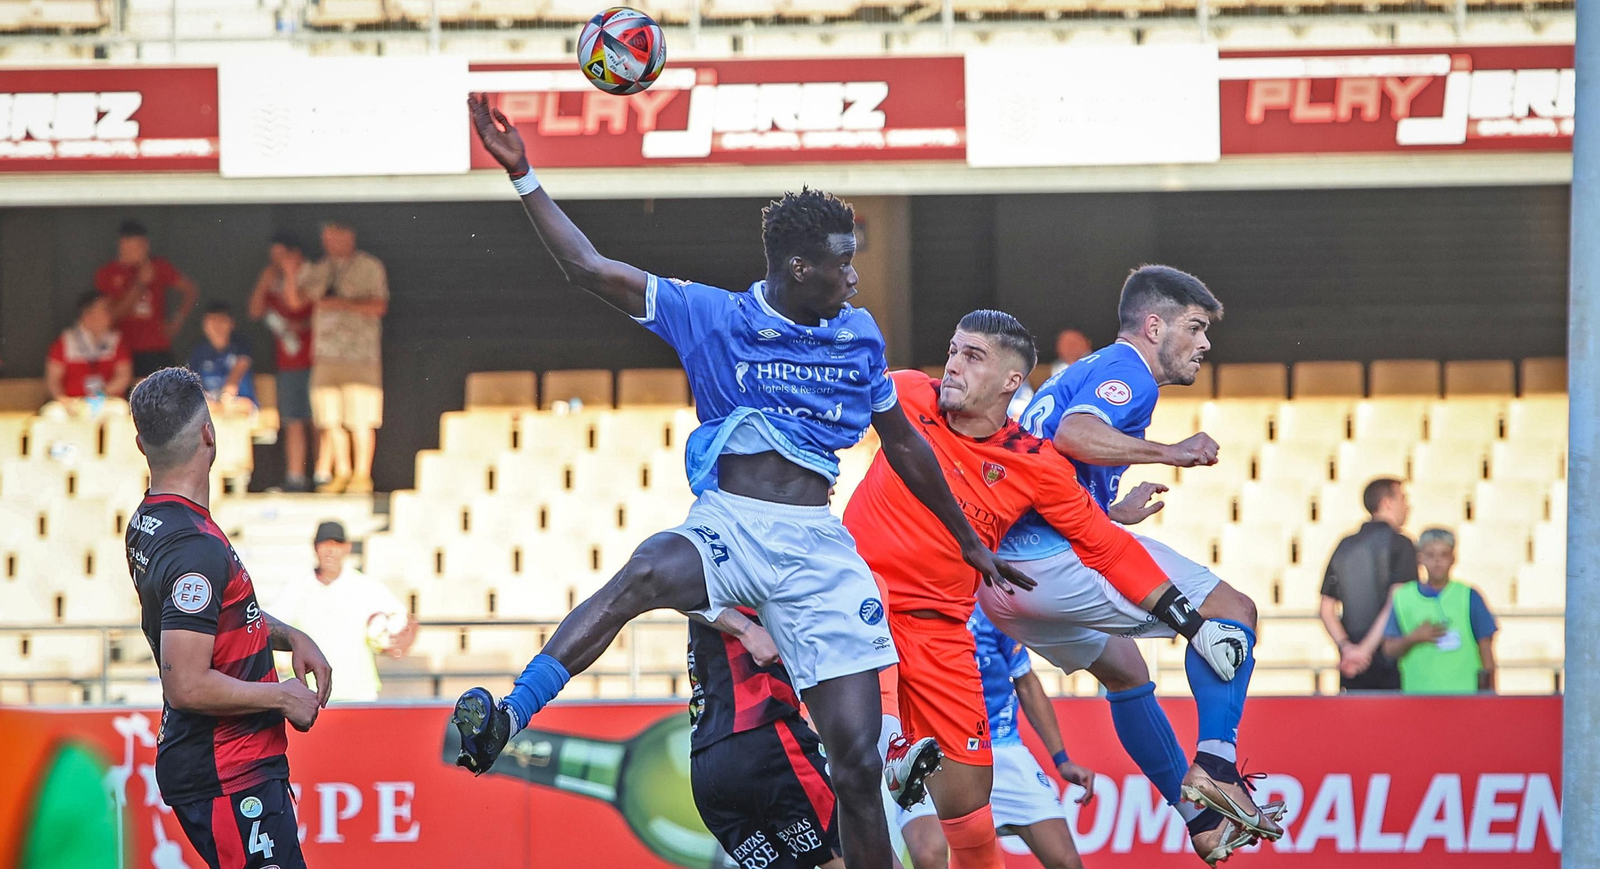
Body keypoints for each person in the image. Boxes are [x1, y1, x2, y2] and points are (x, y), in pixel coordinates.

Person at [449, 94, 1020, 869]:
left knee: (855, 773)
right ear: (797, 266)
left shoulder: (858, 336)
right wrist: (523, 175)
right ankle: (510, 713)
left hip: (819, 547)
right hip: (733, 524)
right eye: (842, 261)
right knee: (646, 569)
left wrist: (969, 544)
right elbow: (587, 268)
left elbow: (906, 446)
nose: (855, 276)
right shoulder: (710, 315)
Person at [844, 309, 1254, 869]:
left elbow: (1104, 548)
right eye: (954, 349)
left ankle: (1198, 814)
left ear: (1011, 382)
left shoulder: (1034, 466)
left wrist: (1191, 624)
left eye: (973, 356)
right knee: (862, 769)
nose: (954, 366)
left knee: (970, 811)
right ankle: (887, 740)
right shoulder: (910, 394)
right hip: (862, 608)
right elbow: (830, 397)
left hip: (945, 632)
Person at [990, 266, 1283, 864]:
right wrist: (1172, 452)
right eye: (1195, 328)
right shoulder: (1129, 371)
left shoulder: (1084, 371)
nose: (1204, 343)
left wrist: (1108, 508)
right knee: (1233, 609)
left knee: (1125, 670)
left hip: (1001, 584)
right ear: (1154, 326)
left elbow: (1048, 462)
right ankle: (1216, 764)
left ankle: (1199, 818)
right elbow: (1075, 434)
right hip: (1053, 562)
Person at [123, 367, 331, 869]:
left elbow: (219, 615)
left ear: (140, 444)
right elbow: (187, 685)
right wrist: (283, 695)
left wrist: (289, 635)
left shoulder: (149, 519)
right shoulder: (194, 547)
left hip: (223, 767)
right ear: (208, 435)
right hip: (228, 772)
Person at [897, 605, 1095, 869]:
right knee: (929, 855)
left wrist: (1062, 760)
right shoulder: (901, 606)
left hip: (1001, 749)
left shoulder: (989, 609)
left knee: (1067, 862)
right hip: (931, 751)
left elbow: (1026, 681)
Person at [689, 608, 846, 869]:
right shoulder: (749, 571)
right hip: (765, 739)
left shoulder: (696, 583)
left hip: (707, 763)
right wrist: (747, 629)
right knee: (857, 852)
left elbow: (670, 586)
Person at [267, 521, 417, 703]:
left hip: (359, 694)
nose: (330, 551)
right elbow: (270, 626)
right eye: (325, 544)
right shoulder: (296, 588)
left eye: (336, 544)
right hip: (311, 697)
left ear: (347, 548)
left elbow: (405, 620)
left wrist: (398, 643)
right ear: (315, 547)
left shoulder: (366, 586)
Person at [301, 221, 388, 495]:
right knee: (330, 419)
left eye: (334, 237)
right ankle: (341, 472)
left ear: (349, 236)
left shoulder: (369, 267)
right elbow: (297, 300)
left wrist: (342, 304)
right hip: (326, 356)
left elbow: (379, 305)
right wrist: (292, 271)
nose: (328, 243)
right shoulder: (319, 269)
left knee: (361, 419)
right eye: (325, 238)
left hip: (360, 357)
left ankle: (362, 476)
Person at [1319, 478, 1417, 691]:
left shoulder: (1345, 544)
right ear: (1387, 503)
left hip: (1352, 666)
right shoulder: (1401, 544)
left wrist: (1347, 648)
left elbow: (1326, 607)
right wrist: (1365, 650)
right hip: (1391, 662)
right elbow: (1396, 601)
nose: (1408, 506)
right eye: (1403, 498)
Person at [1381, 527, 1498, 693]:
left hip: (1464, 697)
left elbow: (1486, 649)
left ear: (1453, 558)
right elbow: (1389, 649)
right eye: (1430, 555)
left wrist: (1490, 696)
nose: (1437, 561)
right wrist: (1414, 638)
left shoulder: (1469, 595)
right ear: (1420, 559)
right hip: (1418, 697)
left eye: (1444, 555)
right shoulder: (1403, 597)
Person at [249, 233, 316, 491]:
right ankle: (296, 477)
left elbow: (297, 306)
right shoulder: (272, 280)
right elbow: (255, 311)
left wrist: (290, 275)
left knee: (318, 422)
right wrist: (264, 282)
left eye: (283, 256)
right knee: (293, 420)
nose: (278, 262)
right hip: (287, 363)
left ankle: (322, 475)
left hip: (314, 360)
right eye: (274, 257)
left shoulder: (311, 276)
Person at [95, 220, 198, 378]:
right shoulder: (108, 273)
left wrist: (176, 321)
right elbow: (112, 315)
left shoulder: (158, 266)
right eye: (136, 245)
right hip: (123, 348)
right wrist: (140, 284)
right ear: (123, 245)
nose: (142, 250)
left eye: (144, 245)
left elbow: (190, 290)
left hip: (156, 346)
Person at [45, 292, 133, 416]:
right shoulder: (65, 341)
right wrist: (64, 400)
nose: (110, 314)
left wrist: (101, 394)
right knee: (52, 414)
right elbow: (53, 380)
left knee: (120, 410)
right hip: (72, 403)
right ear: (87, 314)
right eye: (105, 310)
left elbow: (124, 375)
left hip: (105, 401)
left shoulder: (116, 341)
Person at [188, 302, 257, 416]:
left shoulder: (240, 345)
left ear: (231, 323)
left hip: (238, 402)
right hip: (211, 406)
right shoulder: (199, 351)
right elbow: (193, 382)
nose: (217, 325)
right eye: (212, 320)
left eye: (222, 320)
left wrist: (226, 398)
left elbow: (238, 372)